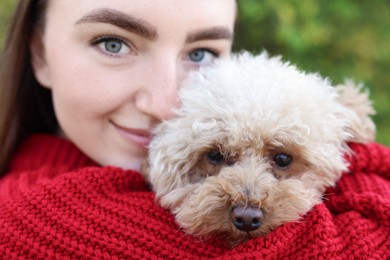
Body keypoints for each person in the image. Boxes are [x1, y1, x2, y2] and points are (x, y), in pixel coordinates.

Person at [0, 1, 388, 258]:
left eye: (201, 54)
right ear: (39, 53)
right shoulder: (34, 221)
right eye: (113, 44)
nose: (167, 104)